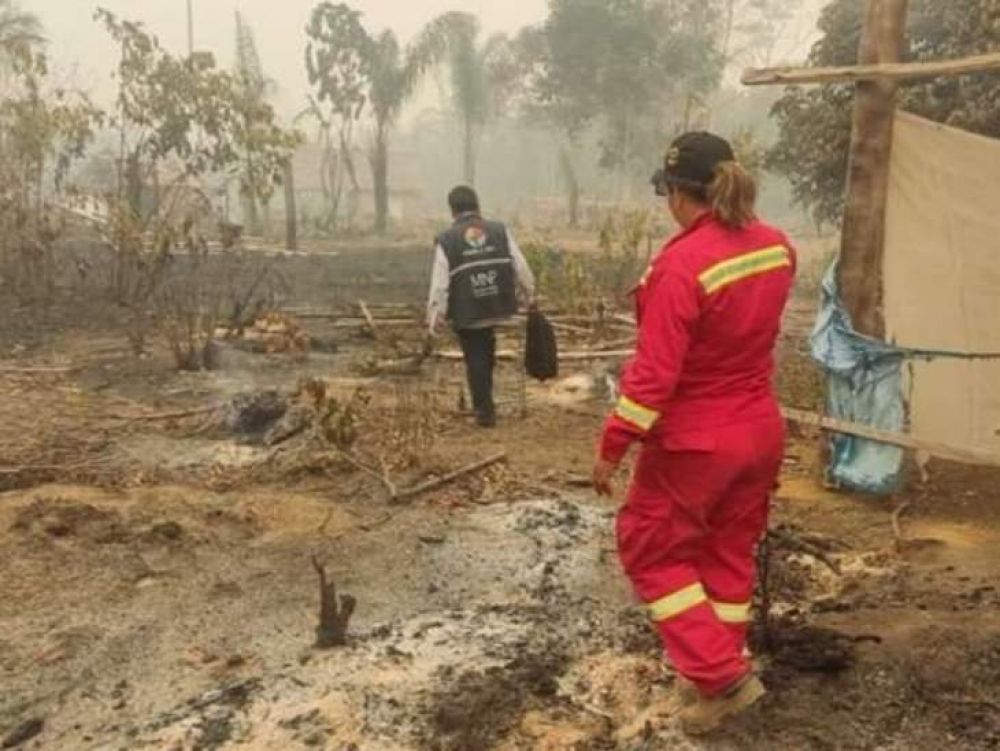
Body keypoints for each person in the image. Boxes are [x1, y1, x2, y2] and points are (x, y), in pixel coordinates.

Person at [593, 132, 796, 735]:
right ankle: (714, 670)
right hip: (759, 431)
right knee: (726, 552)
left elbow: (653, 377)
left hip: (696, 442)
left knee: (649, 548)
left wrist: (612, 447)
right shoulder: (778, 248)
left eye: (668, 195)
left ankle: (722, 680)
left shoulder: (681, 265)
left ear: (681, 195)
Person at [427, 186, 535, 427]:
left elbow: (440, 283)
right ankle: (485, 403)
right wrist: (530, 294)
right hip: (496, 301)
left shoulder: (447, 239)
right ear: (477, 205)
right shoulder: (499, 230)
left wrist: (436, 315)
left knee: (475, 355)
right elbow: (521, 266)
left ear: (452, 210)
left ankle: (484, 411)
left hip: (467, 307)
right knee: (485, 350)